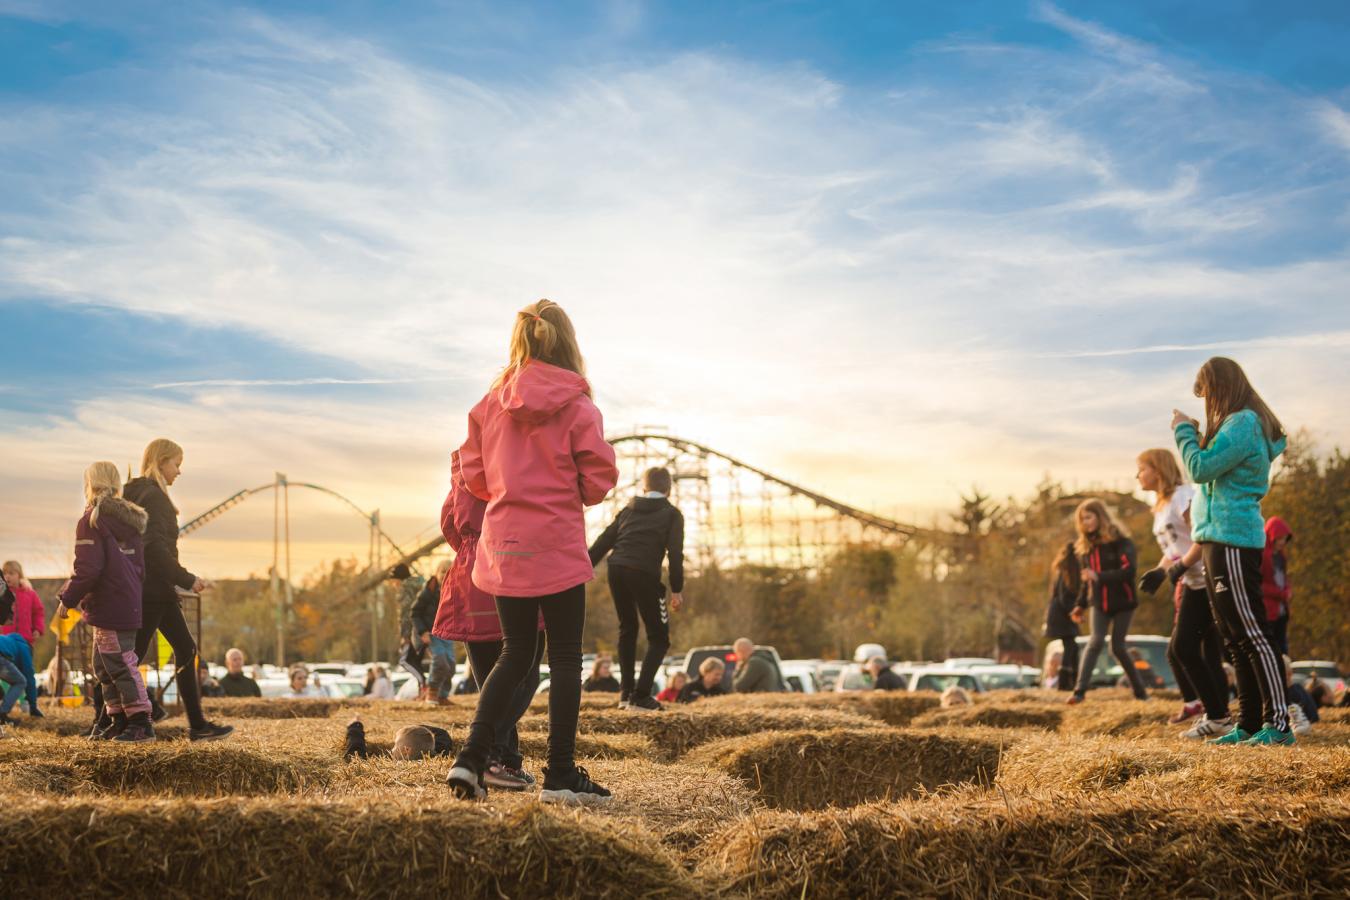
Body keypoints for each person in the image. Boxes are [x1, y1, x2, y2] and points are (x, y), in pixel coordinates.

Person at [446, 299, 619, 806]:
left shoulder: (488, 405)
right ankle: (560, 773)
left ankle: (471, 758)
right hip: (555, 542)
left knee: (515, 652)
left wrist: (508, 491)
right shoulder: (579, 406)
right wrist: (565, 490)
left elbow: (473, 475)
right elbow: (599, 480)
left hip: (504, 544)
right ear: (568, 342)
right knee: (565, 658)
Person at [1173, 357, 1292, 745]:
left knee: (1252, 633)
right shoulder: (1235, 424)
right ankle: (1250, 723)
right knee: (1234, 639)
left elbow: (1200, 469)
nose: (1206, 401)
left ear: (1221, 388)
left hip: (1234, 538)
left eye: (1206, 392)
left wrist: (1183, 433)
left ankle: (1279, 725)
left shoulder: (1243, 423)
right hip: (1215, 538)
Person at [437, 448, 546, 791]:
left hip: (470, 573)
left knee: (491, 680)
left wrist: (470, 548)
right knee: (525, 671)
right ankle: (487, 753)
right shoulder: (515, 456)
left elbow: (448, 523)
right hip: (511, 564)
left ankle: (506, 761)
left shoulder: (462, 466)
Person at [122, 438, 233, 741]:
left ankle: (196, 724)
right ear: (161, 462)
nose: (179, 472)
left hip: (150, 587)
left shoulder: (135, 494)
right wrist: (187, 578)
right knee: (131, 657)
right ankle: (116, 718)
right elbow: (155, 548)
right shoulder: (155, 498)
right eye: (176, 464)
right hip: (154, 589)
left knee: (182, 649)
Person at [1135, 448, 1231, 738]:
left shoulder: (1183, 496)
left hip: (1209, 578)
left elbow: (1203, 536)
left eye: (1142, 469)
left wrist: (1182, 566)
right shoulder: (1161, 505)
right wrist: (1160, 571)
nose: (1138, 475)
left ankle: (1221, 715)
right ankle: (1218, 716)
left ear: (1158, 470)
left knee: (1189, 648)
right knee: (1187, 650)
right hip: (1191, 582)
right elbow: (1174, 548)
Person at [51, 462, 151, 739]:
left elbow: (88, 569)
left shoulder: (92, 521)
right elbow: (140, 568)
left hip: (109, 603)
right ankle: (117, 718)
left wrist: (67, 599)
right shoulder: (129, 521)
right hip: (125, 601)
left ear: (89, 485)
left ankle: (140, 721)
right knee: (104, 665)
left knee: (119, 662)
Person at [588, 466, 685, 712]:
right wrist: (676, 589)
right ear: (669, 489)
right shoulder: (672, 514)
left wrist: (584, 567)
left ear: (644, 487)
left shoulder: (628, 509)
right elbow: (675, 554)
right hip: (643, 572)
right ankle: (641, 696)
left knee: (627, 629)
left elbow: (604, 540)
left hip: (616, 569)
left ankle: (625, 695)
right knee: (659, 638)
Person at [1067, 499, 1149, 704]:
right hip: (1099, 603)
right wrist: (1080, 605)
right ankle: (1079, 692)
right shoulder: (1086, 547)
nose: (1085, 522)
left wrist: (1099, 576)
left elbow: (1129, 571)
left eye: (1088, 517)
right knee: (1095, 641)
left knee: (1118, 647)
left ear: (1100, 516)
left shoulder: (1121, 541)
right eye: (1082, 519)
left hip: (1123, 602)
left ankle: (1141, 693)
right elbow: (1087, 580)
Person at [416, 559, 455, 704]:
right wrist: (422, 632)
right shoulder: (429, 591)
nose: (445, 575)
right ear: (436, 573)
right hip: (430, 632)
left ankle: (442, 695)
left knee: (450, 665)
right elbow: (415, 612)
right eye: (443, 572)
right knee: (440, 660)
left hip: (446, 632)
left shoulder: (453, 589)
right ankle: (432, 691)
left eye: (449, 571)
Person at [1044, 542, 1081, 692]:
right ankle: (1065, 682)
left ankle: (1074, 680)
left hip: (1060, 612)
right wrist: (1074, 612)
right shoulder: (1067, 572)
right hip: (1062, 614)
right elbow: (1065, 597)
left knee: (1073, 646)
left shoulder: (1062, 570)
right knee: (1071, 646)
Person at [390, 563, 428, 693]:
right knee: (416, 660)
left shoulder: (404, 588)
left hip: (413, 630)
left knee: (404, 660)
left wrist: (405, 635)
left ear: (399, 579)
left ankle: (424, 683)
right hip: (426, 627)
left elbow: (405, 614)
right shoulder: (421, 585)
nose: (393, 584)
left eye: (394, 581)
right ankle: (422, 690)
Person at [344, 716, 454, 761]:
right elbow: (442, 734)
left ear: (406, 751)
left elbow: (355, 753)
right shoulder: (440, 756)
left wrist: (355, 726)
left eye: (396, 745)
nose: (392, 749)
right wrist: (413, 731)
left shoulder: (389, 772)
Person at [1261, 517, 1293, 657]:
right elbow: (1259, 584)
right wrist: (1281, 594)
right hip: (1268, 612)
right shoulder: (1262, 556)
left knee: (1283, 649)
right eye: (1279, 538)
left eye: (1284, 539)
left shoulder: (1281, 556)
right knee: (1271, 650)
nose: (1282, 542)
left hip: (1281, 611)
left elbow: (1283, 579)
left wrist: (1287, 591)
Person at [1, 560, 45, 647]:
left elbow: (38, 612)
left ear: (19, 575)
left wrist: (37, 629)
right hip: (6, 640)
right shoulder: (2, 595)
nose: (7, 576)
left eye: (11, 573)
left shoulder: (30, 593)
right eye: (5, 574)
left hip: (26, 640)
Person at [1284, 656, 1317, 735]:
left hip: (1304, 722)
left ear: (1289, 673)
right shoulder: (1298, 688)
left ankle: (1299, 723)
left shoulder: (1293, 693)